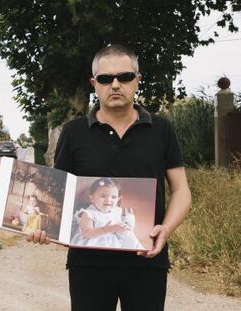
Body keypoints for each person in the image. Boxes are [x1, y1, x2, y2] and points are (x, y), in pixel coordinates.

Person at [26, 44, 191, 311]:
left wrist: (166, 230)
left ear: (137, 79)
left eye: (124, 77)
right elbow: (58, 196)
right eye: (105, 79)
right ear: (94, 83)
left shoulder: (162, 129)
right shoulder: (73, 132)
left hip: (147, 260)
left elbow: (181, 190)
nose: (115, 84)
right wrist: (43, 227)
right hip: (88, 264)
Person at [70, 177, 144, 250]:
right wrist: (106, 229)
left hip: (112, 241)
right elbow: (87, 233)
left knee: (131, 238)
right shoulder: (88, 213)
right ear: (91, 198)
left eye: (113, 197)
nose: (108, 200)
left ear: (118, 199)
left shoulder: (117, 211)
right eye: (103, 196)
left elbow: (123, 226)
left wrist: (127, 222)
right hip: (92, 241)